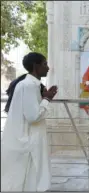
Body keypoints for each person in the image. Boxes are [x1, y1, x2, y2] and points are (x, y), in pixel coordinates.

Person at [1, 52, 58, 191]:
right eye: (45, 64)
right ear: (35, 66)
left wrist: (43, 97)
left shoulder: (30, 85)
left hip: (28, 143)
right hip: (27, 144)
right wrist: (47, 100)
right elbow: (33, 116)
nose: (48, 68)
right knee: (27, 183)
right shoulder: (28, 85)